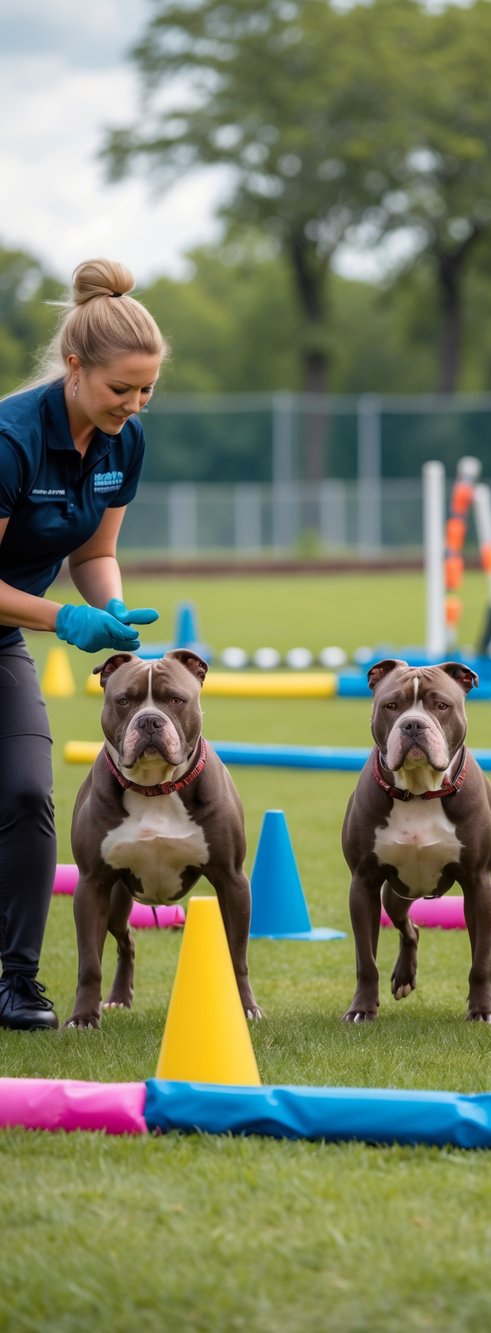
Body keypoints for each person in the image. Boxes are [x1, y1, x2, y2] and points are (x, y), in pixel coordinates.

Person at [0, 258, 168, 1031]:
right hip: (19, 617)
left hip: (4, 638)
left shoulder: (122, 444)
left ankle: (17, 984)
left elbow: (92, 554)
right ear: (74, 367)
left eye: (145, 392)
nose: (132, 406)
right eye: (119, 390)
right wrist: (64, 621)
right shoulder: (10, 440)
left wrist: (114, 612)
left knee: (28, 791)